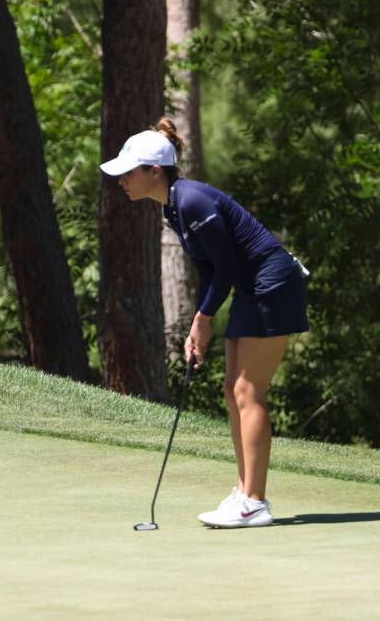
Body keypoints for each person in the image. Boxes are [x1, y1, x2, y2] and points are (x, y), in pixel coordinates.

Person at [100, 117, 309, 528]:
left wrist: (204, 318)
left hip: (272, 282)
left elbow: (227, 266)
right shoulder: (173, 209)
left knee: (249, 390)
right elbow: (211, 271)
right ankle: (244, 491)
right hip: (252, 286)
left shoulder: (192, 200)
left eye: (128, 172)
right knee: (232, 390)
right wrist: (201, 321)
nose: (122, 180)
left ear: (153, 171)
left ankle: (256, 501)